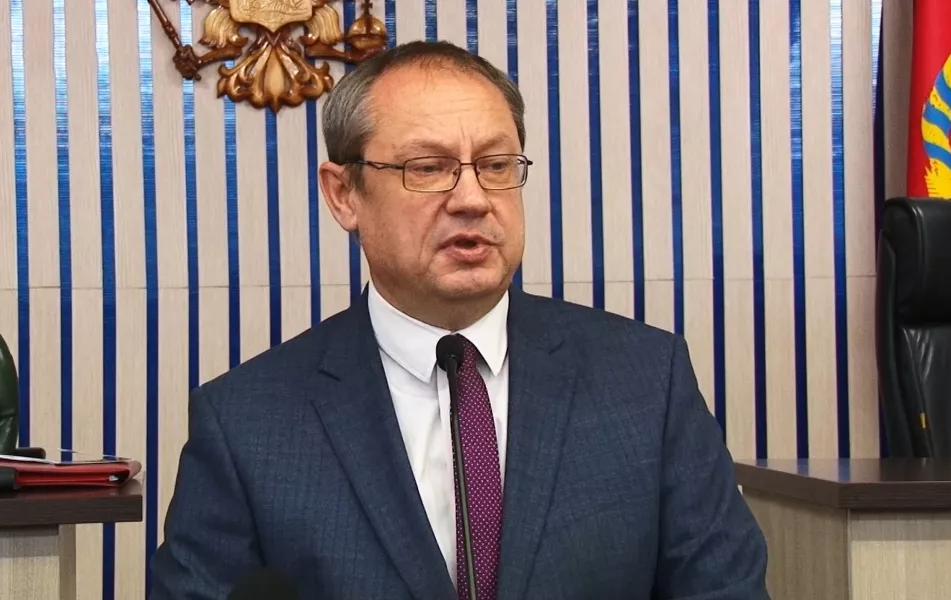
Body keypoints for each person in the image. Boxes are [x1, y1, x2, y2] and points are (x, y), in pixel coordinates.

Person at [150, 40, 769, 600]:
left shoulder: (646, 382)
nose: (472, 198)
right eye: (427, 168)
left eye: (496, 165)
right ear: (344, 194)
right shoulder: (246, 424)